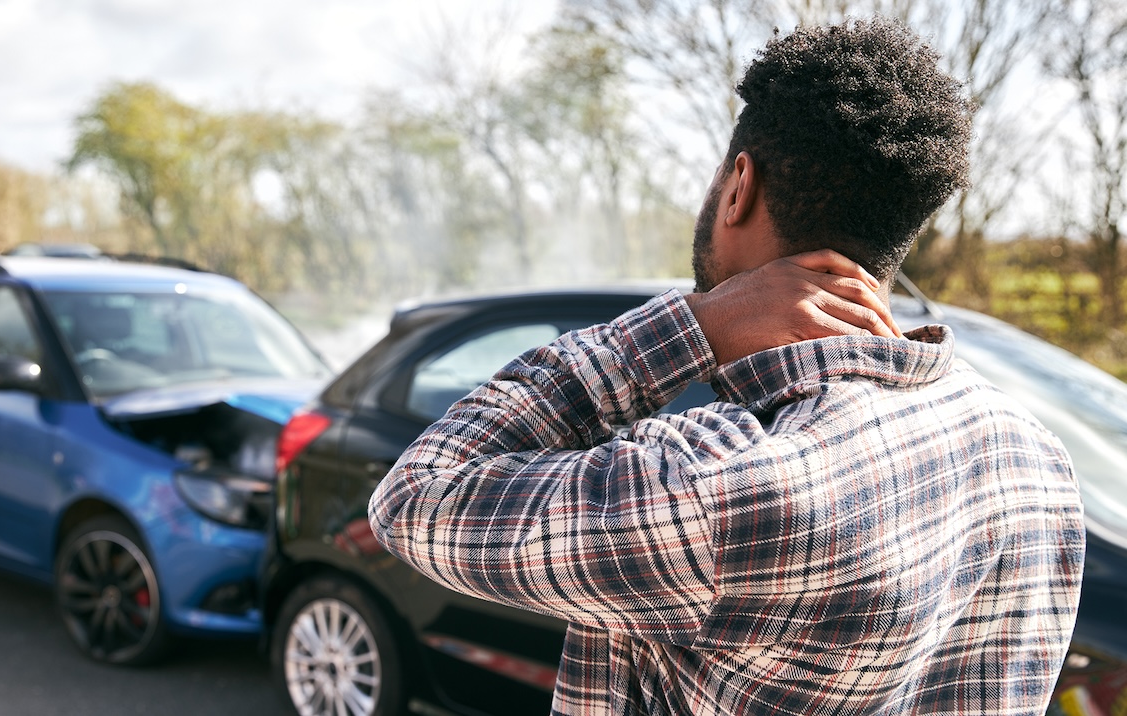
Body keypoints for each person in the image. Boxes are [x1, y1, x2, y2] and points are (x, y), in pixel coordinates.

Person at [369, 16, 1085, 716]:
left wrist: (693, 325)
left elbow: (416, 498)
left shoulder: (717, 484)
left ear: (739, 185)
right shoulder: (1035, 459)